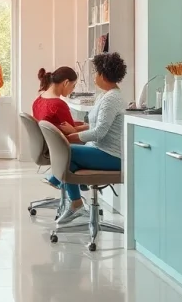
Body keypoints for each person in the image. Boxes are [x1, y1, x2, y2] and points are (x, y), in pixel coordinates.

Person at [43, 53, 128, 223]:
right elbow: (95, 125)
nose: (94, 76)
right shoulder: (105, 95)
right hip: (99, 150)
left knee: (66, 152)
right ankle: (76, 201)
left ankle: (72, 197)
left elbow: (98, 133)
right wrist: (74, 131)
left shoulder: (112, 99)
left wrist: (69, 138)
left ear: (103, 75)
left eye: (96, 72)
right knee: (69, 159)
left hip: (112, 156)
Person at [32, 66, 89, 142]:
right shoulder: (58, 104)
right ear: (66, 83)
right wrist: (89, 127)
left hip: (46, 143)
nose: (73, 89)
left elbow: (62, 125)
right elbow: (72, 131)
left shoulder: (38, 100)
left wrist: (84, 126)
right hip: (61, 145)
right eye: (73, 86)